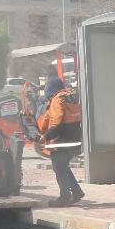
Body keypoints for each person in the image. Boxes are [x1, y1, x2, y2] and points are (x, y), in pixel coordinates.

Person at [37, 76, 85, 206]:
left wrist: (45, 136)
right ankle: (76, 191)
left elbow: (56, 123)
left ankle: (64, 197)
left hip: (61, 141)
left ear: (50, 90)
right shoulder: (70, 97)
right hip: (75, 140)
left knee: (58, 167)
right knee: (62, 166)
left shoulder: (56, 100)